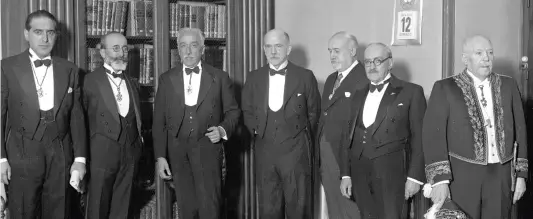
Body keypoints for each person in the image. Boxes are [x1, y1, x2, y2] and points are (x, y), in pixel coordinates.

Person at [423, 35, 528, 219]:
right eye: (479, 53)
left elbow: (521, 132)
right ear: (465, 59)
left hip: (501, 176)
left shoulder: (508, 85)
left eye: (490, 52)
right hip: (461, 176)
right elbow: (433, 136)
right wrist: (440, 180)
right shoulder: (445, 88)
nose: (486, 58)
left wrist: (521, 175)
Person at [0, 10, 87, 219]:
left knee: (60, 211)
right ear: (26, 34)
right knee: (23, 211)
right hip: (22, 153)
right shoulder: (7, 67)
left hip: (60, 151)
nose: (45, 38)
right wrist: (1, 159)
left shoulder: (70, 69)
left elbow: (77, 116)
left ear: (57, 36)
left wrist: (80, 159)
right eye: (38, 32)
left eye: (50, 32)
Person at [153, 27, 240, 219]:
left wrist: (222, 129)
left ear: (202, 49)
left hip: (208, 151)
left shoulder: (219, 77)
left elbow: (233, 112)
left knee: (210, 207)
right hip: (177, 154)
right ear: (178, 49)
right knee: (186, 208)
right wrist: (160, 157)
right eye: (183, 46)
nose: (188, 51)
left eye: (193, 46)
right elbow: (159, 121)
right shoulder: (166, 79)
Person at [339, 43, 426, 219]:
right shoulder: (357, 94)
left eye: (378, 61)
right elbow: (347, 138)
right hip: (360, 174)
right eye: (368, 62)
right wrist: (346, 174)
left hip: (393, 176)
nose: (372, 66)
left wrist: (415, 177)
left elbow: (421, 138)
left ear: (390, 63)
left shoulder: (411, 92)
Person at [242, 29, 321, 218]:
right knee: (268, 207)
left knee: (298, 207)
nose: (273, 51)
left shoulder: (305, 76)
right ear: (263, 49)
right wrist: (258, 131)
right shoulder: (254, 77)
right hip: (265, 151)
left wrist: (298, 138)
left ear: (288, 49)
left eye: (278, 46)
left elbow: (314, 114)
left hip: (296, 151)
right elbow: (247, 110)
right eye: (268, 46)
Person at [83, 32, 143, 218]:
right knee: (97, 208)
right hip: (101, 155)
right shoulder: (88, 81)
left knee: (123, 209)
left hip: (130, 154)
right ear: (102, 53)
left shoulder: (133, 83)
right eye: (115, 48)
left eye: (124, 49)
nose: (121, 53)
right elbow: (80, 121)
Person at [316, 31, 368, 219]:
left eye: (337, 51)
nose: (332, 56)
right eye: (330, 51)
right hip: (326, 154)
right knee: (334, 207)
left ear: (353, 51)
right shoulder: (331, 79)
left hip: (346, 157)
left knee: (350, 209)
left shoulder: (364, 78)